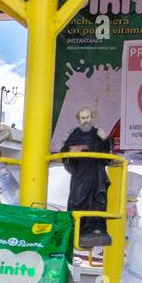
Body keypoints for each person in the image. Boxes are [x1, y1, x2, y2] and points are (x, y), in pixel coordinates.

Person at [62, 106, 113, 248]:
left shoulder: (98, 133)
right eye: (83, 118)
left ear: (92, 118)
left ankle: (97, 228)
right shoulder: (75, 134)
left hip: (96, 173)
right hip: (80, 173)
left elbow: (107, 153)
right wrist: (73, 150)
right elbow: (65, 150)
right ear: (79, 120)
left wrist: (105, 140)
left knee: (97, 200)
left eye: (87, 117)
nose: (85, 120)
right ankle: (78, 228)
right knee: (77, 199)